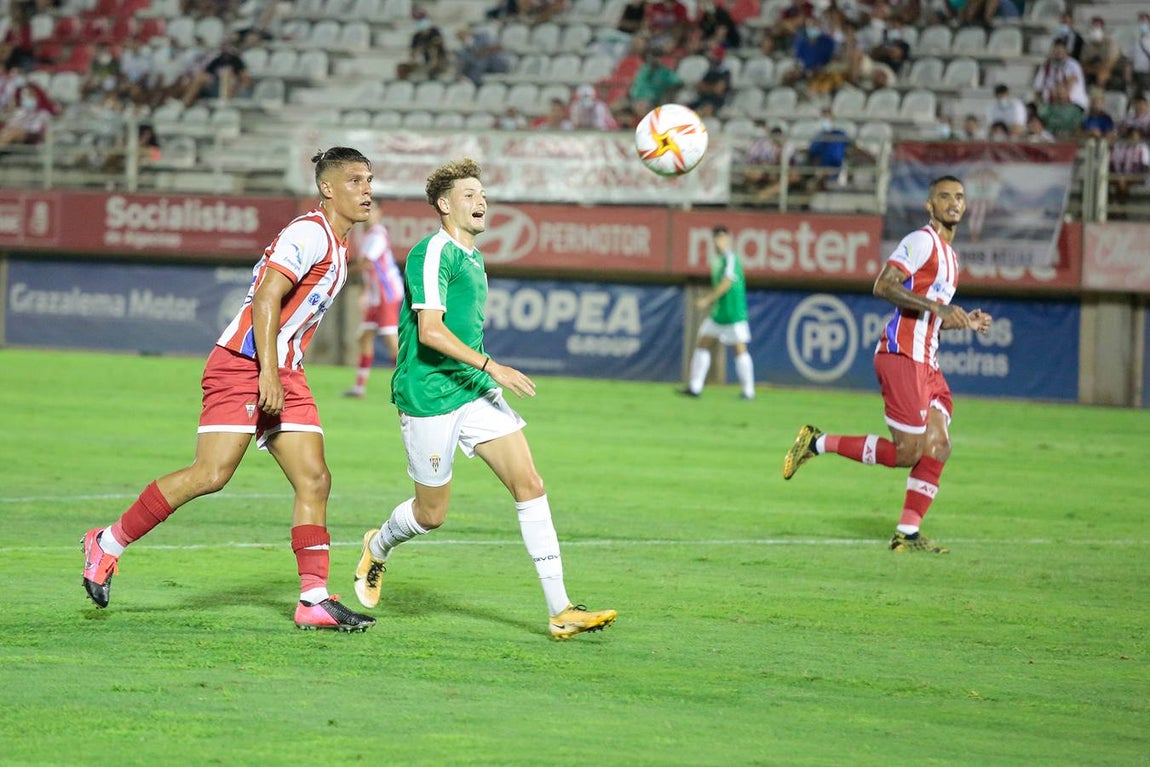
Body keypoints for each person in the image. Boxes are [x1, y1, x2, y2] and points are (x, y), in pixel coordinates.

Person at [80, 147, 378, 632]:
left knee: (315, 479)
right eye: (355, 181)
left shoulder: (340, 246)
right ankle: (106, 543)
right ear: (327, 188)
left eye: (369, 181)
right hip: (244, 364)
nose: (367, 190)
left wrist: (280, 370)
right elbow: (266, 297)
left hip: (285, 370)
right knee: (211, 473)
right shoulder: (308, 233)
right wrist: (267, 373)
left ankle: (313, 599)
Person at [352, 158, 617, 640]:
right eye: (469, 195)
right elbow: (430, 332)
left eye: (483, 194)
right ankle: (379, 545)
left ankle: (560, 610)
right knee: (431, 515)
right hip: (429, 394)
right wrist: (492, 365)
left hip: (472, 389)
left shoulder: (473, 257)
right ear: (444, 204)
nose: (481, 201)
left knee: (529, 483)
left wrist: (483, 375)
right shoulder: (432, 252)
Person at [782, 175, 993, 554]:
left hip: (928, 362)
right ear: (930, 205)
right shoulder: (921, 241)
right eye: (944, 196)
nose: (953, 203)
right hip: (901, 356)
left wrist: (963, 320)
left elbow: (932, 314)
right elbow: (883, 285)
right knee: (907, 452)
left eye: (959, 197)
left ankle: (906, 534)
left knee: (938, 445)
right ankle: (816, 442)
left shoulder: (952, 257)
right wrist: (938, 308)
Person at [680, 226, 755, 400]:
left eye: (722, 237)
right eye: (716, 237)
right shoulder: (717, 260)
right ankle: (695, 388)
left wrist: (707, 300)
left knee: (739, 349)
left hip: (733, 313)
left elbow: (727, 282)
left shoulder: (730, 258)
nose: (719, 241)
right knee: (702, 343)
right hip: (719, 313)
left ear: (728, 239)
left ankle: (749, 391)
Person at [343, 201, 403, 399]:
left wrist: (340, 272)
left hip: (386, 293)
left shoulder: (378, 234)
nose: (368, 213)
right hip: (376, 295)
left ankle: (406, 385)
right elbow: (369, 270)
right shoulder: (367, 235)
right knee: (364, 337)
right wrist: (365, 293)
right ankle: (359, 388)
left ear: (379, 213)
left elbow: (366, 264)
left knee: (391, 341)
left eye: (372, 209)